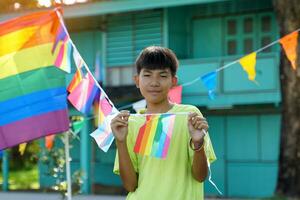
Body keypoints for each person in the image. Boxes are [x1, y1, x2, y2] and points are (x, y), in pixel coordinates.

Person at [111, 46, 216, 200]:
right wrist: (120, 141)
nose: (154, 82)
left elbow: (200, 176)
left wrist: (198, 143)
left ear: (173, 81)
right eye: (147, 75)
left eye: (162, 75)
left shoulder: (189, 116)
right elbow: (130, 185)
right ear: (137, 80)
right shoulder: (130, 124)